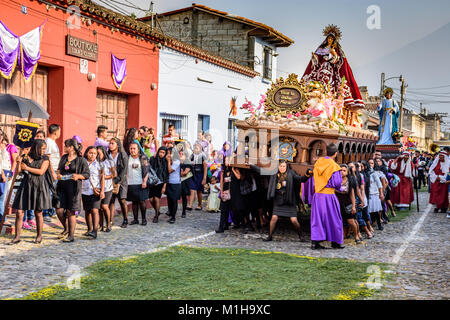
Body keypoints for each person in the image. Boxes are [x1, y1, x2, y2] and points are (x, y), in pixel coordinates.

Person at [302, 25, 364, 108]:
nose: (329, 40)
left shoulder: (334, 49)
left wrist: (333, 55)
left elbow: (338, 60)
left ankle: (328, 95)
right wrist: (314, 58)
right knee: (317, 80)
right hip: (321, 68)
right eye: (328, 38)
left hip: (330, 68)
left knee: (329, 82)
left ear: (334, 40)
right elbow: (317, 62)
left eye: (331, 38)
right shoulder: (321, 49)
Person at [9, 139, 53, 245]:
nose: (43, 151)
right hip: (25, 185)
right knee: (19, 212)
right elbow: (19, 171)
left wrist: (27, 168)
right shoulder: (26, 156)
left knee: (38, 212)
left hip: (39, 187)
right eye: (42, 148)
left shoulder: (45, 158)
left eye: (44, 149)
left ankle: (39, 236)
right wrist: (19, 162)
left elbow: (41, 171)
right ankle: (17, 236)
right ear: (36, 148)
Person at [264, 160, 310, 242]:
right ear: (278, 167)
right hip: (278, 201)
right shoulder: (275, 174)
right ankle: (270, 236)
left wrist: (307, 174)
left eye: (283, 166)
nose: (282, 168)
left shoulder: (291, 173)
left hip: (289, 201)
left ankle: (301, 236)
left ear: (286, 167)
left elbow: (301, 179)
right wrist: (251, 165)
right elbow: (261, 170)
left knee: (294, 221)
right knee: (274, 218)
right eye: (280, 166)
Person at [55, 138, 90, 242]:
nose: (64, 148)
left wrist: (78, 176)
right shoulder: (64, 158)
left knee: (71, 211)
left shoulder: (81, 160)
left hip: (73, 189)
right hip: (61, 187)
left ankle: (71, 235)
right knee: (59, 209)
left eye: (66, 146)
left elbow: (87, 174)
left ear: (71, 148)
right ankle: (66, 227)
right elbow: (59, 170)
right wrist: (58, 175)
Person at [310, 143, 344, 249]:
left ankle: (315, 242)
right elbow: (337, 183)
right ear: (335, 153)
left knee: (318, 218)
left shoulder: (318, 162)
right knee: (334, 218)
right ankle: (335, 242)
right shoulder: (334, 166)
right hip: (329, 195)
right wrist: (341, 188)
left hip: (318, 195)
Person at [81, 146, 103, 239]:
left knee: (95, 210)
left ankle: (95, 231)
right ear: (86, 153)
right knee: (87, 211)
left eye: (94, 153)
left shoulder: (99, 165)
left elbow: (102, 178)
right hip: (84, 190)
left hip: (95, 190)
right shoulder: (83, 163)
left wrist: (102, 191)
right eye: (90, 153)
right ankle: (89, 229)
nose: (92, 155)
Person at [336, 164, 361, 244]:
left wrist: (354, 206)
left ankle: (356, 235)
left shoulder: (350, 181)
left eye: (344, 170)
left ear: (347, 172)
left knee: (351, 221)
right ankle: (341, 236)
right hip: (338, 203)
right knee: (340, 221)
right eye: (340, 170)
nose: (342, 172)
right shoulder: (336, 180)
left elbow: (352, 194)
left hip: (347, 203)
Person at [108, 137, 129, 228]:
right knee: (111, 200)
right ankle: (110, 220)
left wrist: (117, 180)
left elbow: (124, 170)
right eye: (110, 143)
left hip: (121, 180)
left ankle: (125, 219)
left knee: (122, 200)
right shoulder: (107, 154)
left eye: (113, 143)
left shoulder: (122, 154)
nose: (110, 145)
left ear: (117, 145)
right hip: (109, 179)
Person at [126, 142, 149, 225]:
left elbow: (147, 171)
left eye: (134, 148)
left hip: (140, 183)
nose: (132, 150)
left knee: (142, 201)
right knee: (134, 202)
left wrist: (144, 181)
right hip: (130, 183)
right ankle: (135, 219)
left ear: (138, 149)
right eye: (131, 148)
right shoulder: (127, 158)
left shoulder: (142, 158)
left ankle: (144, 219)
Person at [43, 124, 61, 222]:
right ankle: (45, 213)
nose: (60, 133)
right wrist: (52, 171)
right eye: (59, 131)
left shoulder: (52, 142)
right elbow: (47, 158)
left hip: (55, 169)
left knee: (53, 191)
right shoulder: (49, 142)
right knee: (49, 191)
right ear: (55, 132)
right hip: (51, 170)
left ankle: (51, 211)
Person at [0, 132, 18, 223]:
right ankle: (3, 218)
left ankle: (3, 217)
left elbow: (14, 161)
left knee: (5, 196)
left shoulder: (10, 147)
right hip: (3, 172)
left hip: (8, 172)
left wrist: (11, 172)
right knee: (2, 196)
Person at [148, 146, 169, 223]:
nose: (161, 154)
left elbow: (166, 175)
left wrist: (164, 186)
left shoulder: (166, 161)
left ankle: (156, 215)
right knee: (150, 199)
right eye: (160, 152)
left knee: (156, 198)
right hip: (151, 181)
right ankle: (157, 210)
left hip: (160, 182)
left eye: (163, 153)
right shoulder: (153, 159)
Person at [97, 146, 115, 232]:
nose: (97, 155)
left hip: (108, 187)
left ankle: (108, 224)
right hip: (98, 187)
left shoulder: (109, 162)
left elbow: (114, 174)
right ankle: (100, 225)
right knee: (99, 207)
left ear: (104, 153)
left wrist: (104, 177)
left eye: (99, 154)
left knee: (104, 206)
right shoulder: (95, 162)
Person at [188, 143, 207, 210]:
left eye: (197, 148)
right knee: (192, 189)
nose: (195, 149)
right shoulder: (192, 155)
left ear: (200, 149)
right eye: (194, 148)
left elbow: (205, 167)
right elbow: (188, 161)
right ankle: (190, 205)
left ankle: (199, 204)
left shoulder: (203, 156)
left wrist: (204, 178)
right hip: (193, 174)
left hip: (200, 175)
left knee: (199, 191)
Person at [216, 156, 232, 233]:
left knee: (230, 209)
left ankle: (227, 224)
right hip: (225, 192)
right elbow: (222, 182)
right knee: (223, 210)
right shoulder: (223, 172)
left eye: (228, 160)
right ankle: (221, 227)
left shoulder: (233, 170)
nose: (226, 162)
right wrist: (222, 192)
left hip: (232, 192)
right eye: (225, 160)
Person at [166, 147, 182, 224]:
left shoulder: (176, 161)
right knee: (169, 200)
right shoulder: (170, 160)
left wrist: (168, 161)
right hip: (169, 182)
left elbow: (169, 170)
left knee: (174, 200)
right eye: (168, 153)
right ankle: (170, 213)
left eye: (170, 153)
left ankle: (173, 217)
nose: (169, 155)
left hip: (175, 183)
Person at [367, 159, 384, 231]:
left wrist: (381, 193)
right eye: (369, 163)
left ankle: (379, 224)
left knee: (376, 210)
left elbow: (379, 184)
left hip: (374, 193)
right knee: (368, 211)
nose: (370, 165)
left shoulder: (374, 173)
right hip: (367, 193)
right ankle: (370, 224)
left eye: (372, 163)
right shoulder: (365, 173)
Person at [180, 148, 193, 218]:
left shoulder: (187, 162)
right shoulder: (177, 161)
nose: (181, 155)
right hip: (178, 181)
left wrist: (180, 173)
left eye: (182, 154)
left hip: (185, 181)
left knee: (184, 196)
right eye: (180, 154)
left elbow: (185, 173)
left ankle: (184, 211)